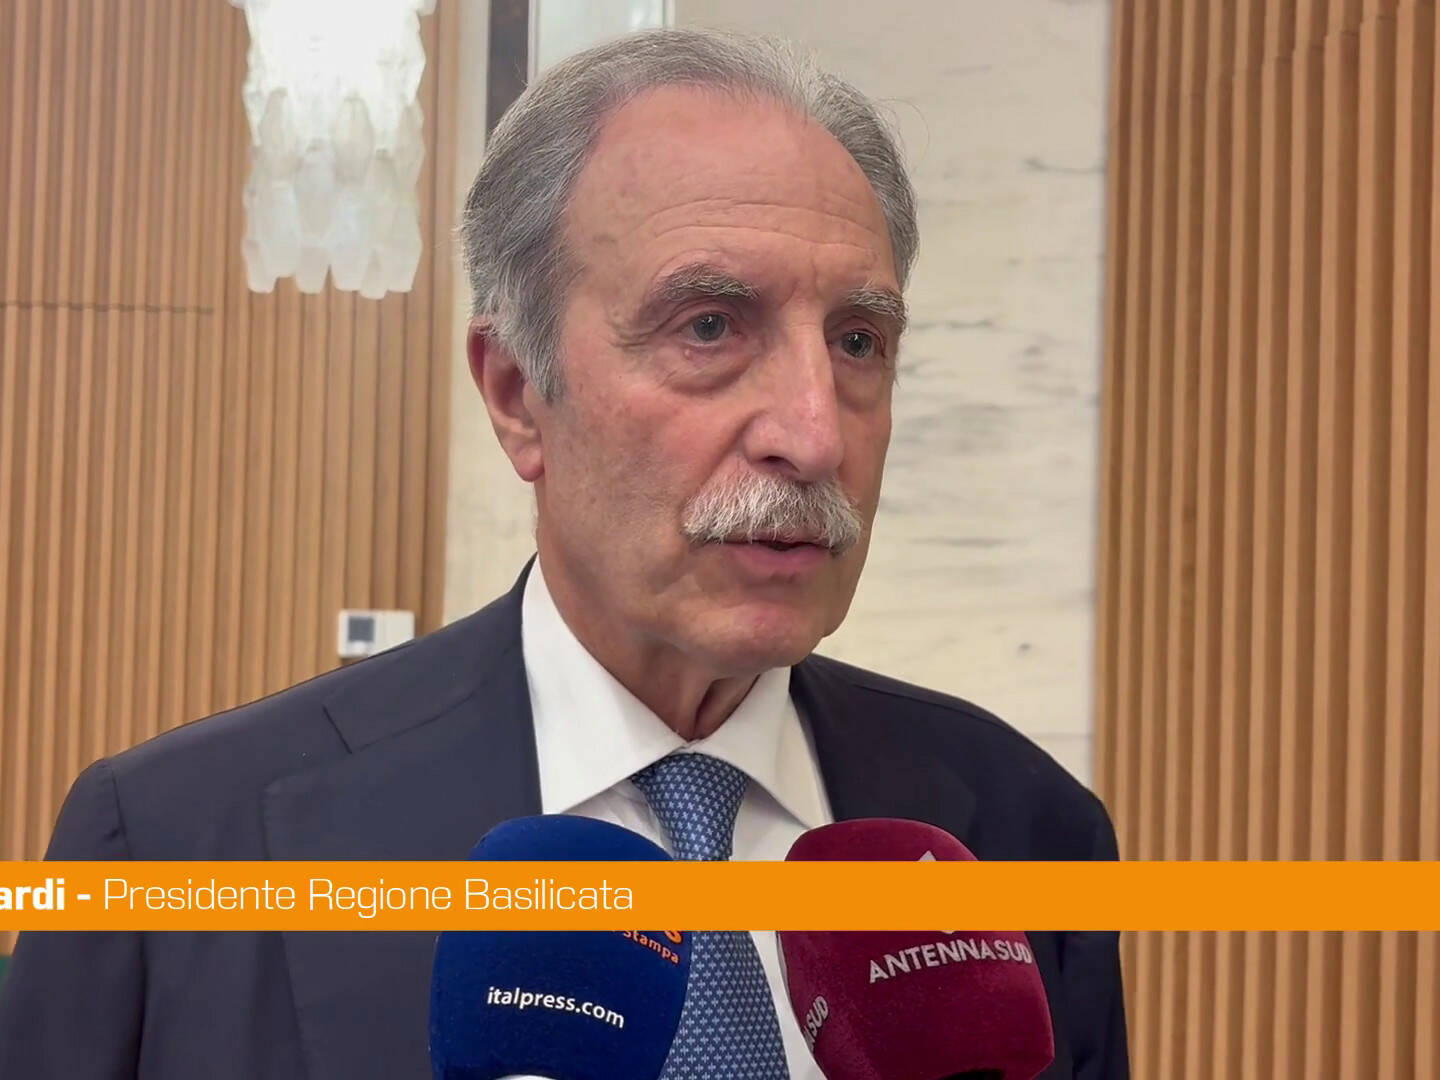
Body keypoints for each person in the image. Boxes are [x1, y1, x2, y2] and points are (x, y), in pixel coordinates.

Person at [0, 28, 1128, 1080]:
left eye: (857, 340)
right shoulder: (176, 846)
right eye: (709, 327)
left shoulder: (1026, 830)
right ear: (515, 394)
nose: (815, 433)